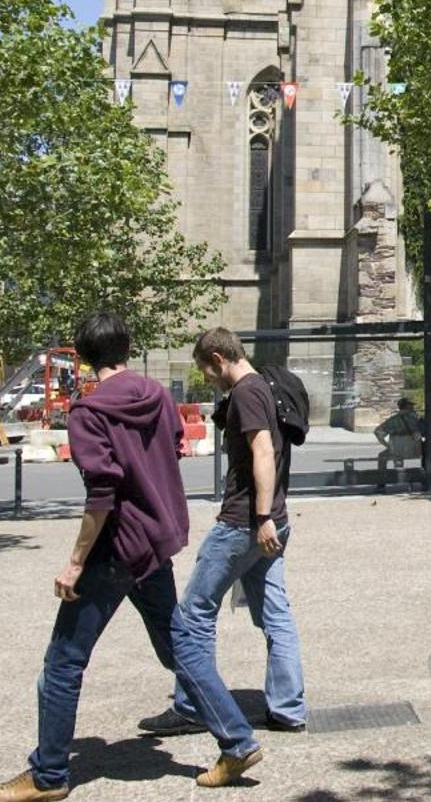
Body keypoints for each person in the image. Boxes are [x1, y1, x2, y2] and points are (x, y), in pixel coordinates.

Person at [0, 312, 190, 802]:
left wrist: (75, 561)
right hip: (155, 540)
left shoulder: (88, 411)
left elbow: (102, 492)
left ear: (82, 355)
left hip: (115, 547)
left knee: (62, 661)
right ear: (127, 346)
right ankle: (236, 739)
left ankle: (49, 775)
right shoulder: (159, 395)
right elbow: (172, 453)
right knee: (179, 642)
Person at [136, 328, 304, 783]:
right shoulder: (264, 387)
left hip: (245, 522)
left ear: (218, 358)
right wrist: (272, 518)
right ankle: (288, 708)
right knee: (274, 610)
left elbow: (263, 451)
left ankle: (192, 706)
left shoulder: (248, 393)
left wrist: (261, 516)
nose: (209, 380)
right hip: (273, 519)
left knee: (192, 615)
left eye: (207, 371)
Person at [373, 397, 423, 478]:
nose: (413, 407)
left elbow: (378, 432)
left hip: (396, 451)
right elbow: (425, 432)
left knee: (381, 456)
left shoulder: (393, 420)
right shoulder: (416, 419)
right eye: (411, 406)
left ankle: (381, 482)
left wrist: (387, 445)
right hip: (415, 450)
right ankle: (426, 477)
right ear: (408, 407)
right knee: (428, 452)